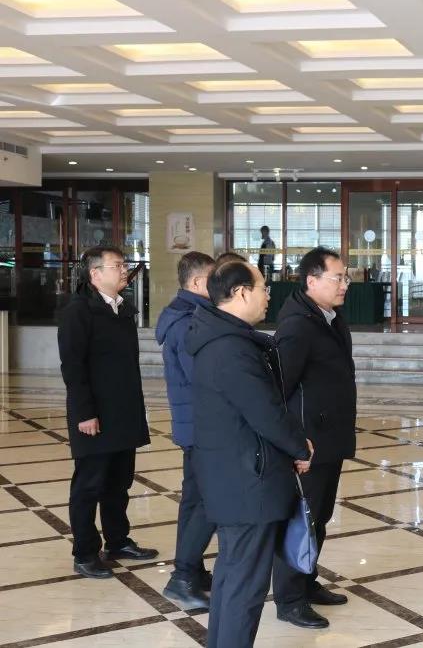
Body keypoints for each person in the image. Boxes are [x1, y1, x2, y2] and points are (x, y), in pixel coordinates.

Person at [187, 260, 313, 648]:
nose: (268, 296)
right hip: (248, 483)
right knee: (244, 589)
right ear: (241, 293)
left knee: (232, 579)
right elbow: (265, 412)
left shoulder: (220, 338)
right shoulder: (231, 349)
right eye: (263, 288)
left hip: (234, 477)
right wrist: (300, 446)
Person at [57, 245, 158, 578]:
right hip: (94, 415)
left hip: (123, 412)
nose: (124, 270)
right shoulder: (78, 311)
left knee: (119, 482)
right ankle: (85, 552)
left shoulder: (122, 309)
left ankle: (118, 541)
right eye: (117, 265)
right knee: (89, 486)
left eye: (124, 264)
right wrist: (84, 413)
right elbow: (73, 367)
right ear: (95, 274)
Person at [272, 247, 356, 628]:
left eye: (345, 277)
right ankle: (289, 599)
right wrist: (293, 442)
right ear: (311, 280)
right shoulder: (297, 326)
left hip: (329, 438)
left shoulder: (330, 318)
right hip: (307, 443)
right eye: (338, 277)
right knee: (301, 519)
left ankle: (306, 581)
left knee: (319, 516)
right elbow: (280, 388)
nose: (345, 284)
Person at [156, 251, 216, 608]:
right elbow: (205, 378)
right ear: (196, 282)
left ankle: (191, 570)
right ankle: (181, 578)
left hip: (195, 424)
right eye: (214, 278)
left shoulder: (191, 315)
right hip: (201, 426)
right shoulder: (188, 322)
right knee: (208, 500)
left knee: (195, 500)